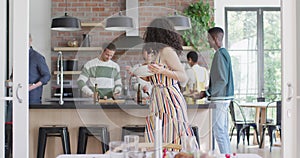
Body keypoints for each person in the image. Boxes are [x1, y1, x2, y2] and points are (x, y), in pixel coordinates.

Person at [142, 18, 196, 147]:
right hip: (157, 99)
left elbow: (183, 77)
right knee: (158, 139)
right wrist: (145, 75)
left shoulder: (167, 51)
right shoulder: (155, 53)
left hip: (170, 99)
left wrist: (162, 71)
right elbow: (158, 77)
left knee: (174, 137)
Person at [195, 27, 234, 154]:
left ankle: (225, 156)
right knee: (222, 130)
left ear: (216, 39)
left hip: (220, 99)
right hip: (223, 98)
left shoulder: (220, 54)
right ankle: (228, 156)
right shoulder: (223, 53)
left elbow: (222, 80)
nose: (208, 41)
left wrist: (207, 92)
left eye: (209, 39)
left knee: (219, 131)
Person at [28, 34, 51, 103]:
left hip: (33, 97)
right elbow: (13, 76)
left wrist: (32, 86)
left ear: (30, 40)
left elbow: (47, 76)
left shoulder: (37, 57)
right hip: (18, 95)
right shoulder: (18, 57)